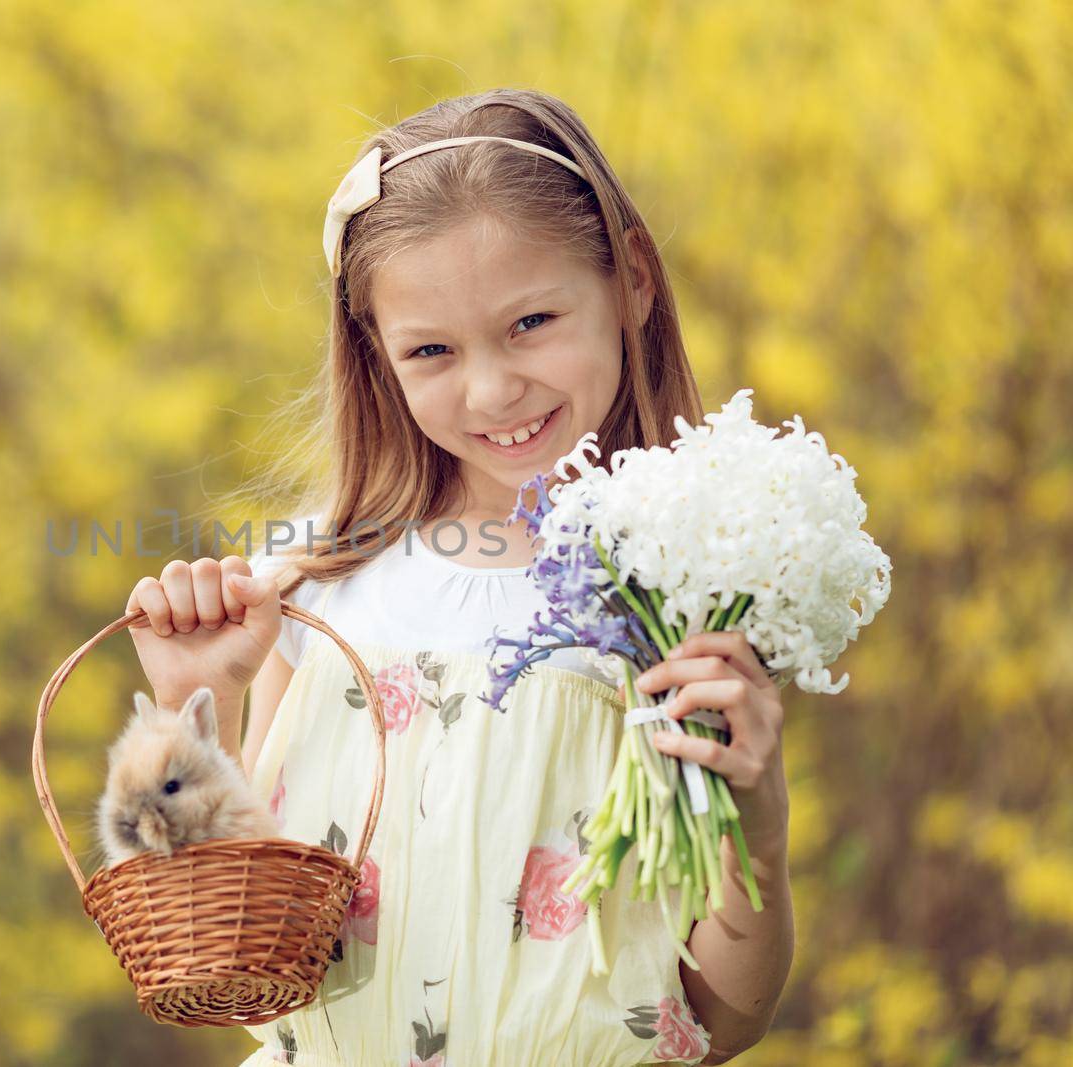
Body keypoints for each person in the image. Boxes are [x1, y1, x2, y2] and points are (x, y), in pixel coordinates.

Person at [123, 88, 792, 1066]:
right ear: (376, 355)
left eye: (530, 321)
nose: (490, 388)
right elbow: (248, 974)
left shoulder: (676, 587)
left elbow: (722, 1019)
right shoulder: (314, 586)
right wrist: (201, 706)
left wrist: (757, 839)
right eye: (431, 349)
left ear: (631, 281)